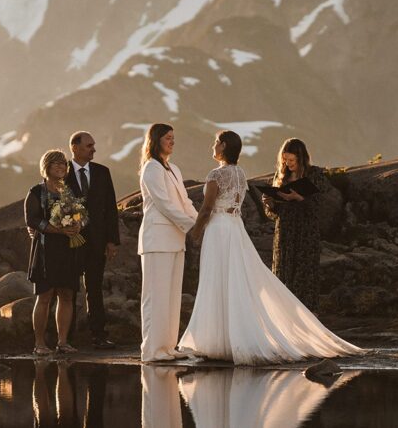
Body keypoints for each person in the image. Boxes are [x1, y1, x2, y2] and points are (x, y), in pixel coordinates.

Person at [178, 130, 365, 364]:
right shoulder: (240, 173)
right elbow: (255, 208)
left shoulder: (216, 174)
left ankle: (217, 338)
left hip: (224, 229)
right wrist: (273, 202)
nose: (213, 146)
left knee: (217, 279)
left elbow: (206, 209)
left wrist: (195, 231)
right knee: (238, 279)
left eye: (216, 142)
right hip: (241, 228)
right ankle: (235, 336)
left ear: (224, 146)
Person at [137, 122, 199, 363]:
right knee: (155, 296)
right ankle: (152, 350)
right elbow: (164, 203)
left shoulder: (173, 168)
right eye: (168, 138)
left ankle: (168, 347)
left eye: (174, 137)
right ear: (155, 141)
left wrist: (201, 221)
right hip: (157, 239)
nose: (172, 141)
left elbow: (184, 201)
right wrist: (192, 226)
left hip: (175, 239)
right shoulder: (151, 168)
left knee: (172, 297)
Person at [25, 149, 85, 355]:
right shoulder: (36, 192)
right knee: (45, 296)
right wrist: (58, 229)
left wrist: (77, 226)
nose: (61, 167)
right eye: (56, 163)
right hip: (45, 250)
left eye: (63, 164)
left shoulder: (70, 192)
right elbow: (32, 220)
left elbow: (82, 216)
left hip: (68, 249)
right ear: (46, 167)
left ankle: (63, 342)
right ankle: (40, 344)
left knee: (67, 295)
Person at [66, 130, 120, 349]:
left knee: (94, 288)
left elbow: (111, 209)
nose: (94, 149)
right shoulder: (62, 172)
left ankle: (98, 335)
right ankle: (65, 338)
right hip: (70, 242)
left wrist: (111, 241)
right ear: (75, 148)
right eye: (89, 146)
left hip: (97, 242)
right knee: (68, 289)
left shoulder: (102, 172)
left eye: (93, 145)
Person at [261, 138, 329, 310]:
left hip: (306, 233)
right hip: (285, 232)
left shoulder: (315, 175)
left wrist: (298, 198)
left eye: (291, 160)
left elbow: (322, 206)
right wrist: (270, 203)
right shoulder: (281, 177)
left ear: (301, 158)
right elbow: (274, 214)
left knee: (304, 276)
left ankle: (307, 320)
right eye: (285, 159)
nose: (287, 163)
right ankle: (285, 320)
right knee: (284, 274)